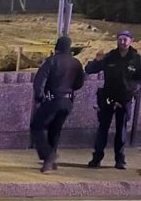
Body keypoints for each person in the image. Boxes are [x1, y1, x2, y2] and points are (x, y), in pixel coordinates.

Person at [85, 30, 141, 169]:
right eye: (120, 39)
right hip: (108, 98)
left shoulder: (136, 59)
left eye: (125, 39)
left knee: (121, 129)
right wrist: (96, 60)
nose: (122, 42)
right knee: (102, 128)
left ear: (131, 41)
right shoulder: (110, 56)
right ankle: (97, 158)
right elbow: (90, 69)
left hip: (125, 99)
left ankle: (120, 160)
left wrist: (134, 90)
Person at [30, 36, 84, 173]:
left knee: (37, 126)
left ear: (56, 48)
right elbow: (79, 83)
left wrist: (40, 97)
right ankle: (50, 163)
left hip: (53, 99)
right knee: (55, 129)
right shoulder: (76, 63)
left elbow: (39, 81)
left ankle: (48, 155)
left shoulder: (52, 61)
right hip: (68, 102)